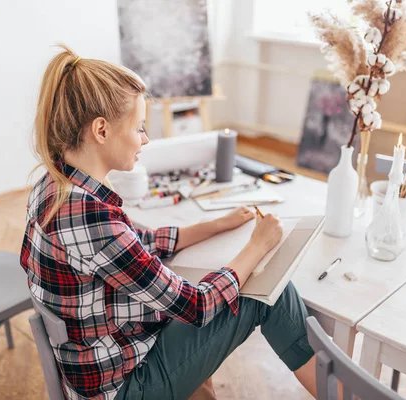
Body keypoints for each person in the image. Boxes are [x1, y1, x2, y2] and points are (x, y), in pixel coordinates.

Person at [20, 44, 317, 400]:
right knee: (270, 292)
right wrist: (258, 246)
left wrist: (215, 226)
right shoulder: (92, 217)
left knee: (220, 285)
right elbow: (197, 305)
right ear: (101, 130)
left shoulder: (53, 185)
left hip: (94, 362)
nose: (145, 139)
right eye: (140, 127)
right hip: (124, 388)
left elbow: (134, 245)